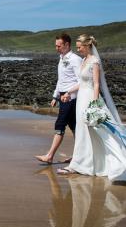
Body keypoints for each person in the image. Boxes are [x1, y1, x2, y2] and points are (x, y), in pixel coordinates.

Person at [57, 34, 126, 181]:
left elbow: (96, 84)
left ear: (87, 46)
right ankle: (81, 164)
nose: (78, 49)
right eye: (77, 47)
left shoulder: (94, 61)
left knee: (98, 132)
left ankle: (82, 165)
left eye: (79, 47)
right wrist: (69, 92)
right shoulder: (83, 60)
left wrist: (94, 104)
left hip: (89, 99)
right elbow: (81, 82)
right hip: (81, 97)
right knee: (83, 132)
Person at [35, 33, 82, 164]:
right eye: (55, 46)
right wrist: (55, 96)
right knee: (75, 127)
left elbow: (81, 82)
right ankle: (79, 157)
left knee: (60, 124)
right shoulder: (62, 58)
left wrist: (69, 95)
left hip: (71, 99)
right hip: (63, 97)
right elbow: (61, 80)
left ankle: (49, 156)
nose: (56, 48)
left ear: (67, 44)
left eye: (59, 46)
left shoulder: (75, 59)